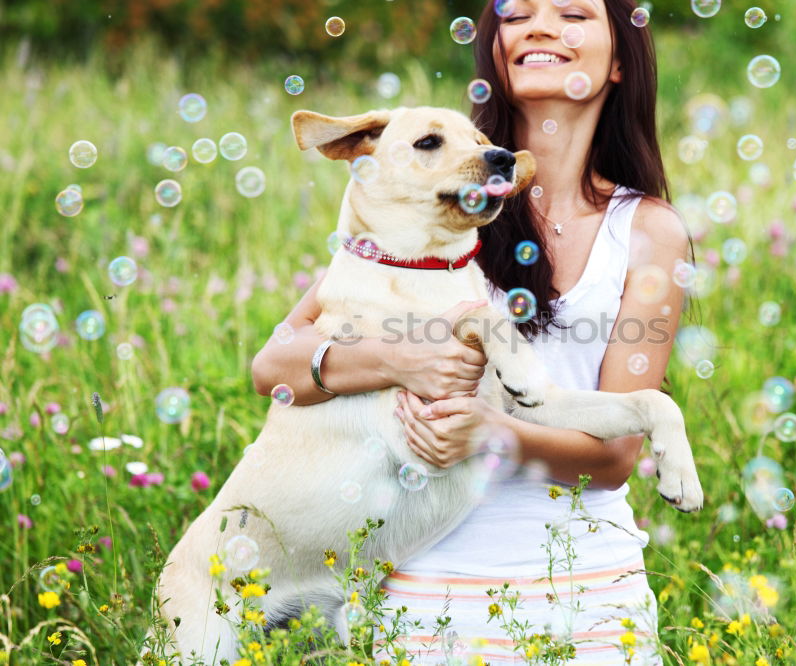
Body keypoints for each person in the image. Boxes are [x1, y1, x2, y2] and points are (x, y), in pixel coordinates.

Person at [251, 0, 693, 662]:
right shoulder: (431, 209)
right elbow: (274, 366)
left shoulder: (649, 231)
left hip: (590, 598)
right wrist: (400, 360)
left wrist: (490, 434)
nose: (542, 26)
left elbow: (614, 459)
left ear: (623, 61)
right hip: (421, 599)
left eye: (573, 12)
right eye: (518, 15)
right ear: (493, 51)